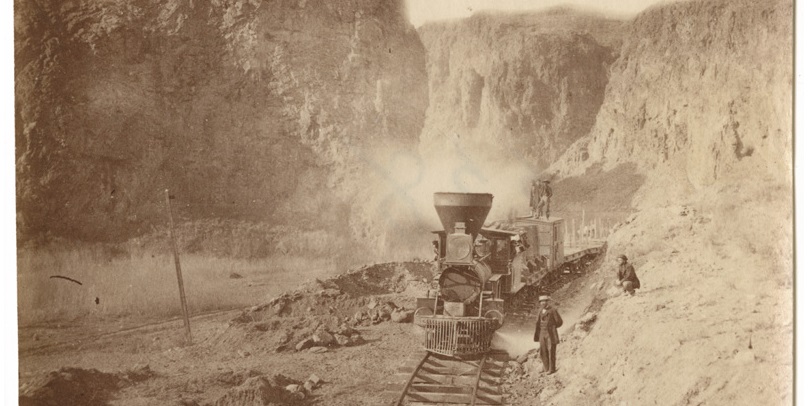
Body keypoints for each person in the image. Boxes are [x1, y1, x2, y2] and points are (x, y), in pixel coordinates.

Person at [533, 295, 563, 374]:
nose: (542, 303)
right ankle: (546, 368)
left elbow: (559, 322)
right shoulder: (540, 311)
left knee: (551, 351)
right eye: (541, 302)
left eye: (544, 301)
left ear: (547, 302)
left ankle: (552, 369)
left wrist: (552, 327)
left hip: (550, 334)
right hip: (541, 333)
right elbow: (538, 322)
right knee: (543, 351)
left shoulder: (553, 310)